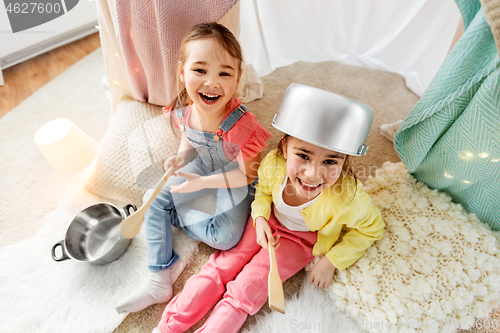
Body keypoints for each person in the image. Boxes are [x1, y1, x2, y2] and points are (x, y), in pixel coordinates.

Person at [152, 84, 385, 333]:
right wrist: (261, 216)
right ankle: (168, 326)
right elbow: (262, 191)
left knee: (245, 291)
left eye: (330, 161)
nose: (312, 173)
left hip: (299, 241)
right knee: (220, 267)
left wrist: (331, 261)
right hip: (267, 222)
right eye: (303, 156)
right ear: (284, 148)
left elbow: (372, 229)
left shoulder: (348, 197)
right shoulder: (274, 164)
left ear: (345, 161)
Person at [115, 22, 272, 314]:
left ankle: (173, 217)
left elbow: (246, 174)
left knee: (224, 238)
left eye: (224, 73)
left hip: (234, 180)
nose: (212, 83)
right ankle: (158, 278)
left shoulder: (242, 126)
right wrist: (180, 158)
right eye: (200, 70)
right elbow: (190, 138)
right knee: (153, 195)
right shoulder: (186, 109)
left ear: (237, 79)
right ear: (182, 72)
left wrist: (200, 185)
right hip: (202, 165)